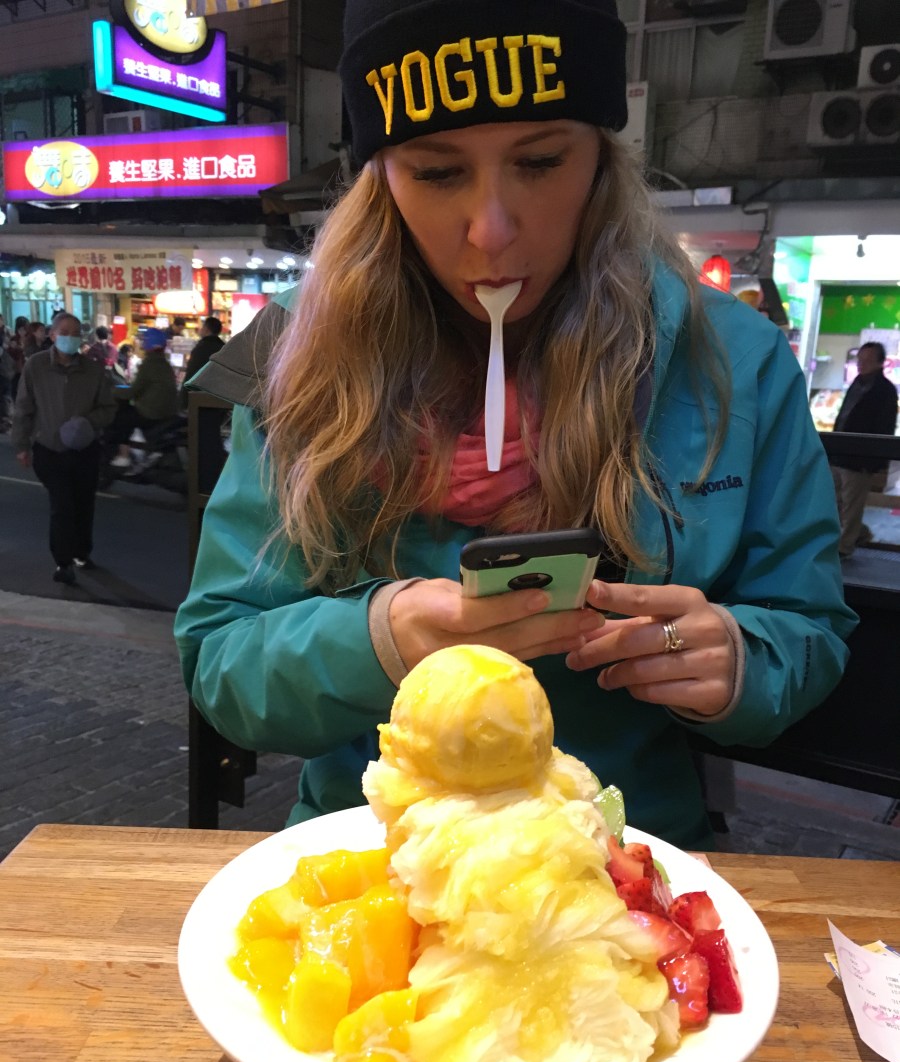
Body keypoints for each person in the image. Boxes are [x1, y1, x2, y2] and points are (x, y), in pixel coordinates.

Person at [174, 0, 857, 851]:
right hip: (372, 856)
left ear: (603, 161)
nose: (491, 233)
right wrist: (381, 634)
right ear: (379, 177)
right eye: (436, 171)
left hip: (620, 860)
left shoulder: (732, 360)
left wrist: (738, 662)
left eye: (539, 161)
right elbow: (222, 662)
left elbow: (810, 631)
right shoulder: (301, 353)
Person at [12, 311, 116, 583]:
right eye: (65, 332)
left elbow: (108, 408)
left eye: (76, 333)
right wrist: (21, 444)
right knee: (62, 505)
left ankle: (82, 552)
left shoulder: (94, 370)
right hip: (49, 449)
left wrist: (87, 424)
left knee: (84, 504)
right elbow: (24, 407)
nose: (70, 338)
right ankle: (63, 562)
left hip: (85, 451)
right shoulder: (36, 366)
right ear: (53, 335)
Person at [829, 341, 899, 558]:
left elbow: (884, 427)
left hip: (859, 459)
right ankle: (857, 533)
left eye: (867, 360)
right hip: (839, 453)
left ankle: (845, 546)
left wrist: (873, 460)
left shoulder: (885, 391)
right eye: (859, 359)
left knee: (851, 505)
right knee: (836, 501)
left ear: (880, 363)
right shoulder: (857, 384)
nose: (861, 364)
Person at [109, 327, 180, 467]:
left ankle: (123, 456)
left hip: (151, 413)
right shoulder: (165, 364)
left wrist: (112, 391)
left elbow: (132, 392)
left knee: (123, 418)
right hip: (168, 412)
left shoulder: (149, 364)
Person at [181, 316, 225, 401]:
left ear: (206, 329)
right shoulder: (223, 348)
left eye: (202, 326)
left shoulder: (201, 348)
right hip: (217, 397)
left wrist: (184, 399)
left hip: (198, 396)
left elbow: (191, 373)